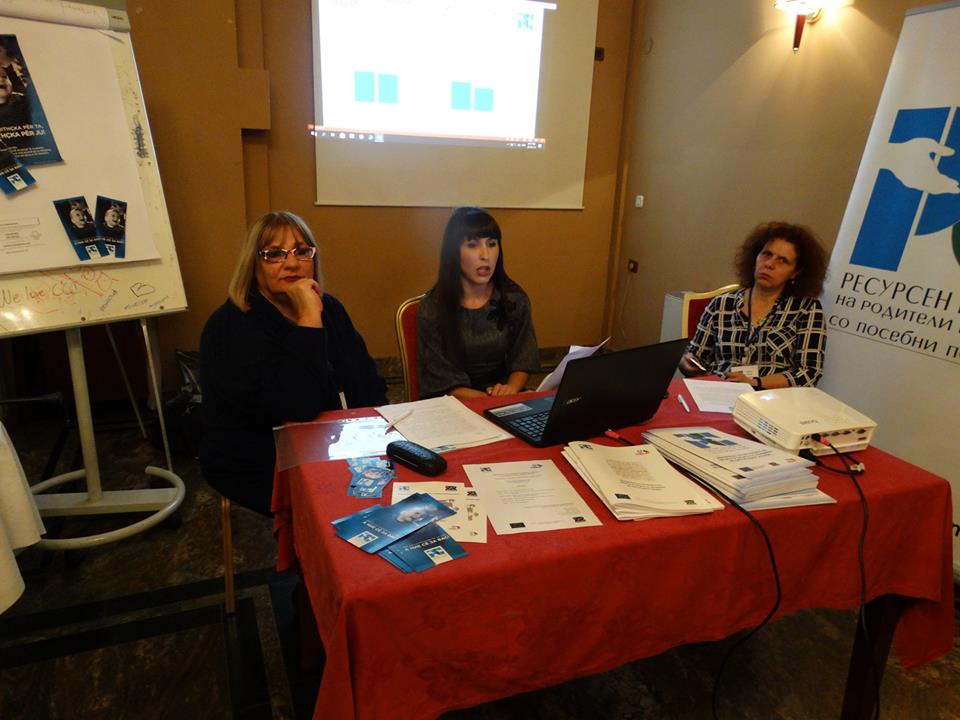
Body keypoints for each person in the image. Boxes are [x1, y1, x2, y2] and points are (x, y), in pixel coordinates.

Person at [200, 211, 387, 514]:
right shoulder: (230, 327)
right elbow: (298, 405)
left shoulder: (331, 309)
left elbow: (367, 380)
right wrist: (309, 320)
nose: (291, 263)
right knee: (337, 511)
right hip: (260, 461)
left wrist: (377, 438)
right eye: (274, 254)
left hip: (335, 444)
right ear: (253, 264)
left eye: (301, 251)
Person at [679, 220, 828, 389]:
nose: (769, 264)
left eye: (782, 260)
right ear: (755, 257)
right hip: (720, 391)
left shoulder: (806, 309)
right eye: (766, 254)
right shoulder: (722, 304)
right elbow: (695, 357)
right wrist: (686, 362)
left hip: (772, 397)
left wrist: (755, 383)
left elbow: (809, 372)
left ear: (795, 272)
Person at [417, 207, 540, 399]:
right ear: (453, 252)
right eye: (472, 245)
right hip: (453, 402)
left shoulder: (513, 298)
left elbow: (523, 357)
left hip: (503, 395)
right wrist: (491, 402)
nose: (485, 255)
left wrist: (511, 389)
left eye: (491, 244)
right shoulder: (432, 308)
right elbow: (442, 382)